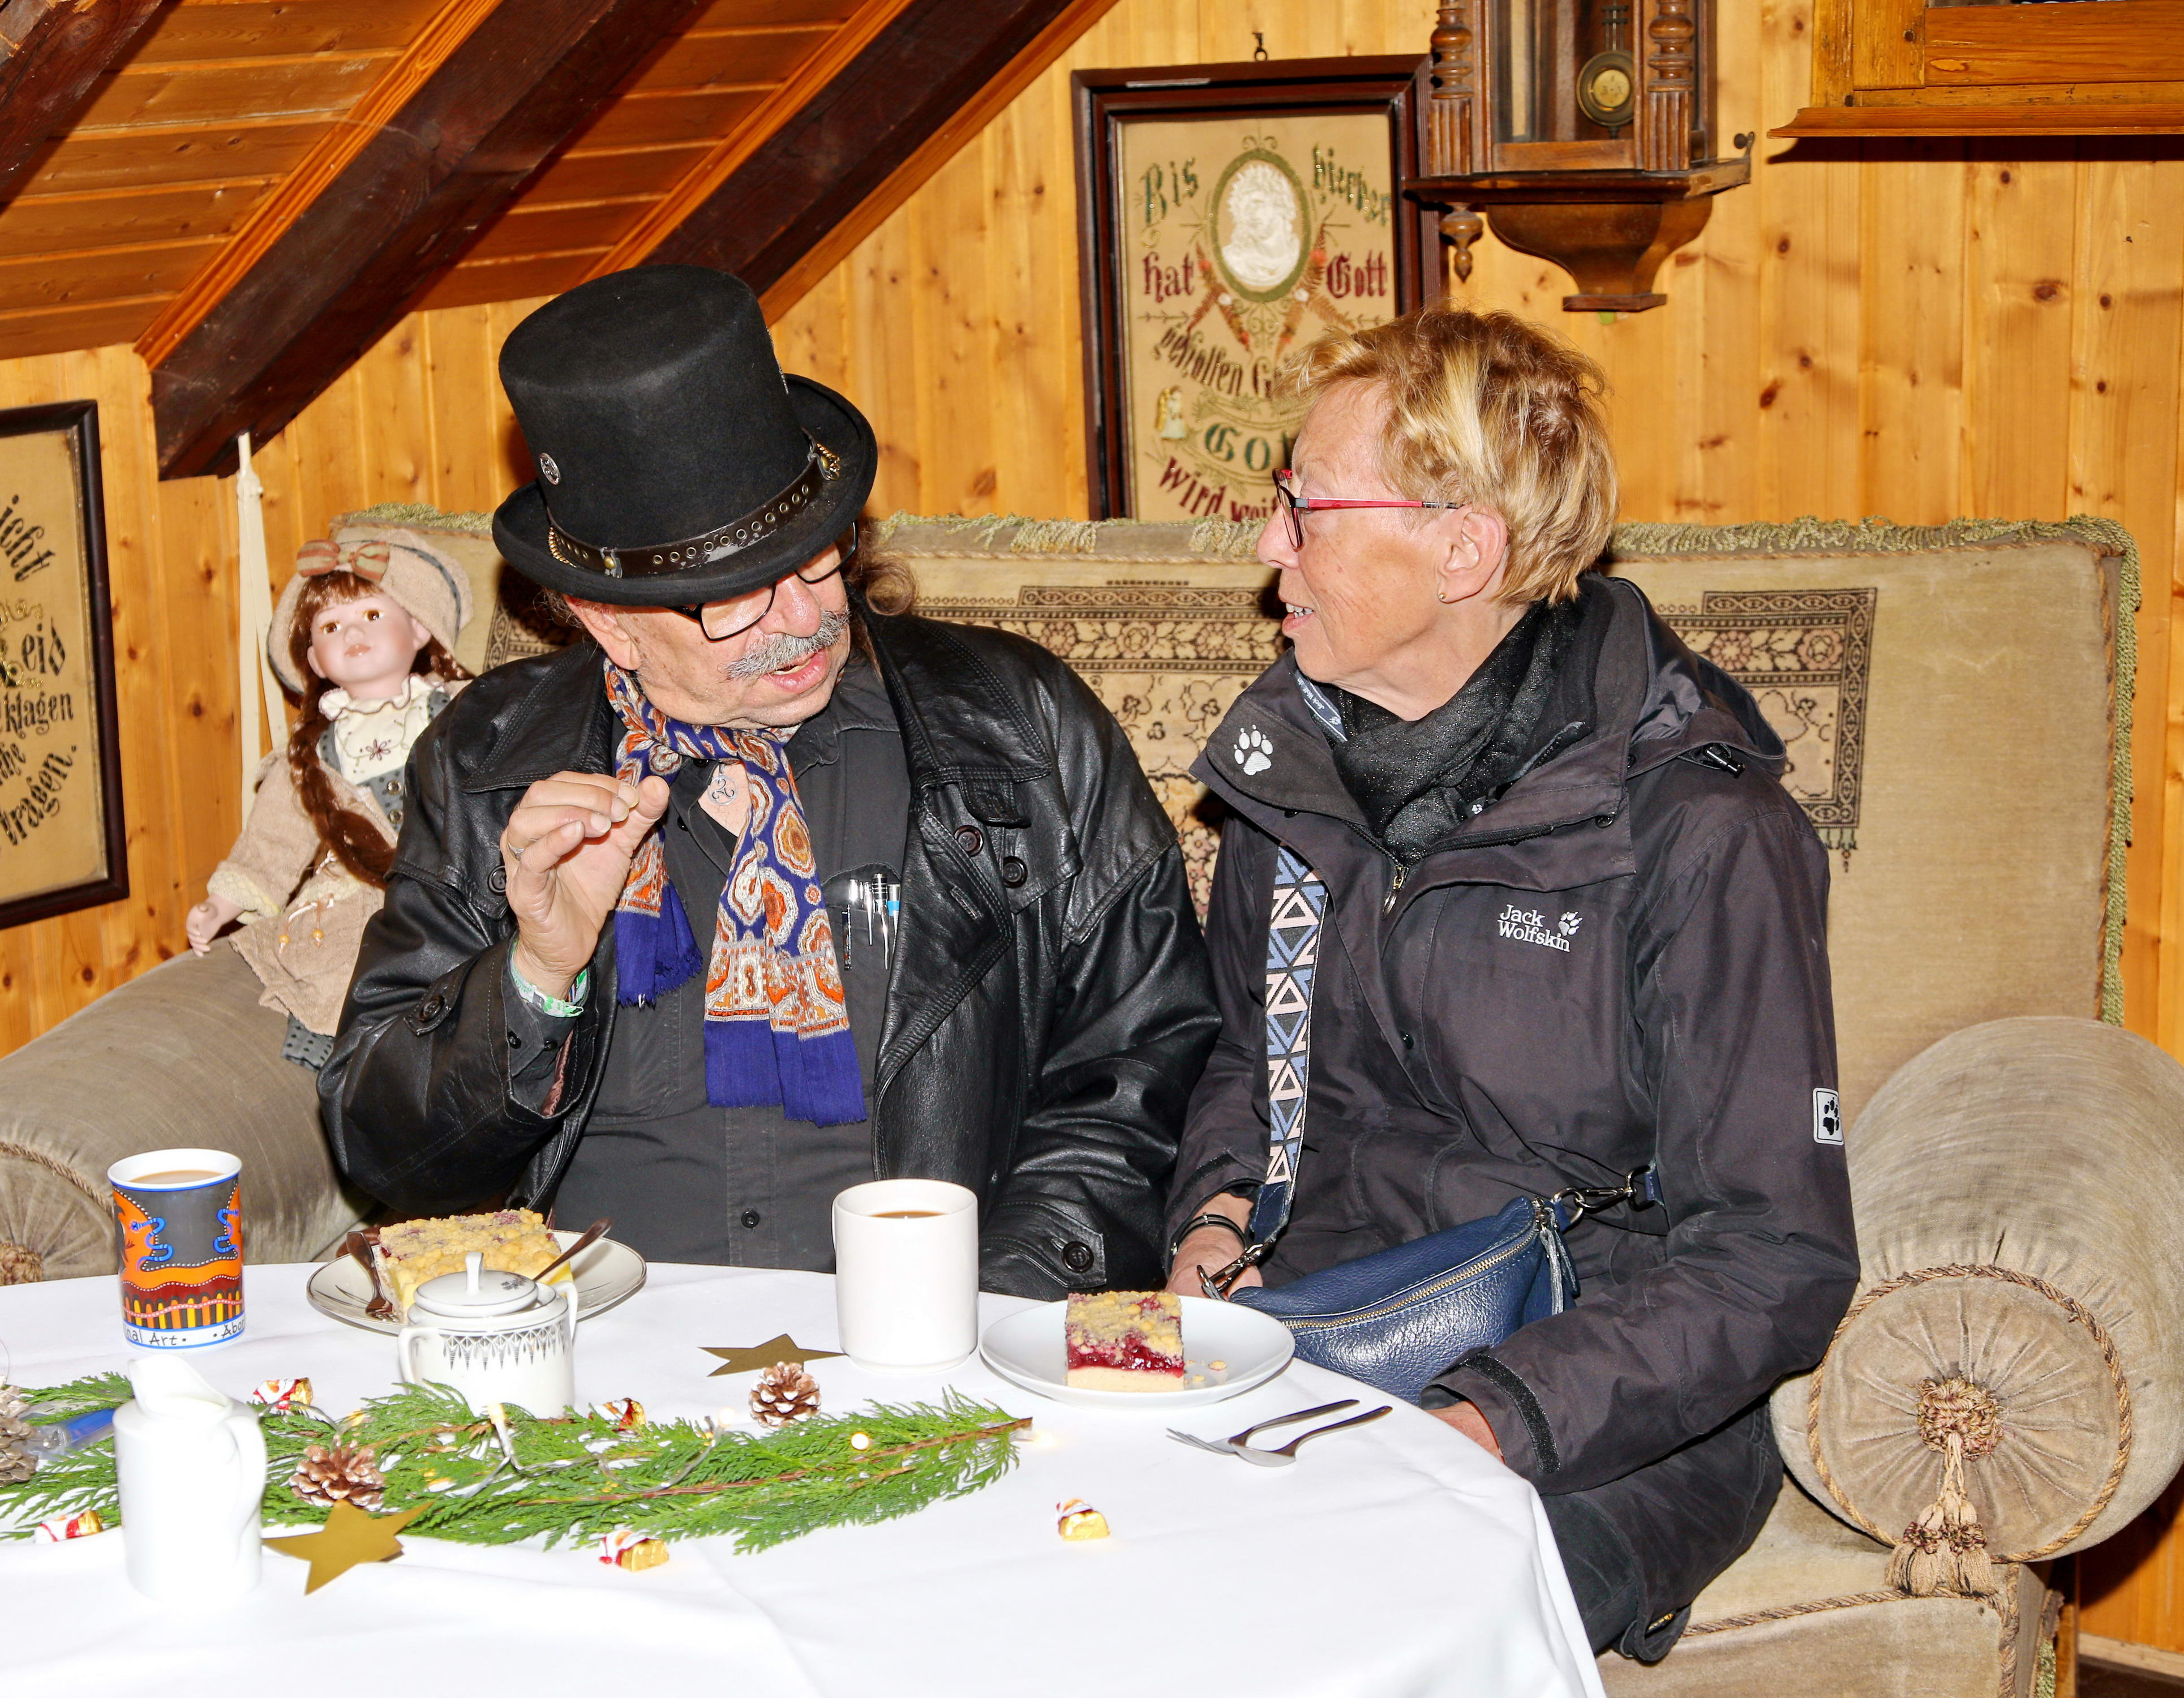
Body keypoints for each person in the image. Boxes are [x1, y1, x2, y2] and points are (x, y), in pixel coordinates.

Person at [1165, 307, 1857, 1661]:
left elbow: (1774, 1256)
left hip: (1599, 1402)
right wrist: (1214, 1218)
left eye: (1306, 509)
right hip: (1318, 1342)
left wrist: (1478, 1423)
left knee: (1348, 1632)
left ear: (1462, 550)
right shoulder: (1284, 772)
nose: (1266, 547)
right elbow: (1251, 1059)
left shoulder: (1699, 828)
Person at [321, 264, 1217, 1297]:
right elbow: (385, 1153)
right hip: (604, 1351)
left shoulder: (1019, 727)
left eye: (814, 558)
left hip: (936, 1337)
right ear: (610, 621)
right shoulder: (489, 761)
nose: (802, 617)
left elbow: (1141, 1066)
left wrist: (983, 1312)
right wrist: (537, 975)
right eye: (733, 599)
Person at [186, 530, 471, 1070]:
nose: (353, 634)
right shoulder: (309, 756)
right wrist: (221, 905)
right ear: (315, 660)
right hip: (362, 900)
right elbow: (271, 842)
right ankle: (357, 1060)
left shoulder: (465, 708)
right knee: (344, 961)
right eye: (331, 627)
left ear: (419, 629)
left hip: (461, 881)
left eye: (372, 615)